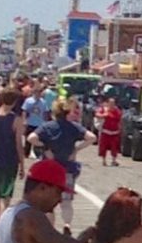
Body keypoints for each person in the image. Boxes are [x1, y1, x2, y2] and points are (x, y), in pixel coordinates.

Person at [28, 98, 96, 228]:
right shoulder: (74, 127)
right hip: (67, 169)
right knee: (66, 202)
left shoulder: (47, 126)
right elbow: (92, 137)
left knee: (48, 203)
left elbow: (31, 138)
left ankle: (49, 228)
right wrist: (76, 149)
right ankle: (67, 225)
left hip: (49, 169)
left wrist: (45, 147)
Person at [0, 87, 25, 223]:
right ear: (14, 102)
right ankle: (3, 225)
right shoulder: (16, 120)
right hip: (10, 158)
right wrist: (22, 165)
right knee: (6, 195)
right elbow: (19, 144)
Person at [21, 83, 49, 158]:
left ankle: (38, 153)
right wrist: (24, 121)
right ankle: (26, 154)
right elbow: (24, 111)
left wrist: (46, 122)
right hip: (30, 122)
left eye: (40, 92)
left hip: (39, 124)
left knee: (38, 139)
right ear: (34, 92)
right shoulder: (28, 101)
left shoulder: (43, 102)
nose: (38, 94)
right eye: (37, 92)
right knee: (28, 139)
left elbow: (45, 112)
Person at [96, 97, 122, 167]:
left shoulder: (117, 111)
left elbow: (119, 120)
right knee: (103, 147)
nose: (112, 104)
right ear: (107, 103)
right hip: (105, 131)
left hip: (114, 132)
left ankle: (113, 160)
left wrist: (120, 129)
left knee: (114, 147)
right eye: (110, 103)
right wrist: (103, 115)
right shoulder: (104, 109)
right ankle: (104, 161)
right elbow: (97, 114)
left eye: (113, 103)